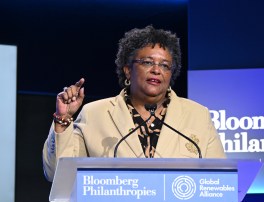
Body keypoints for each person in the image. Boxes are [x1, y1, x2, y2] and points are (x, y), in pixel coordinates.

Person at [42, 25, 226, 181]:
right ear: (128, 70)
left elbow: (220, 180)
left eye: (164, 65)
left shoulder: (198, 115)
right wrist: (63, 118)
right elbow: (58, 175)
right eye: (147, 62)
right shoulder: (94, 114)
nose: (156, 70)